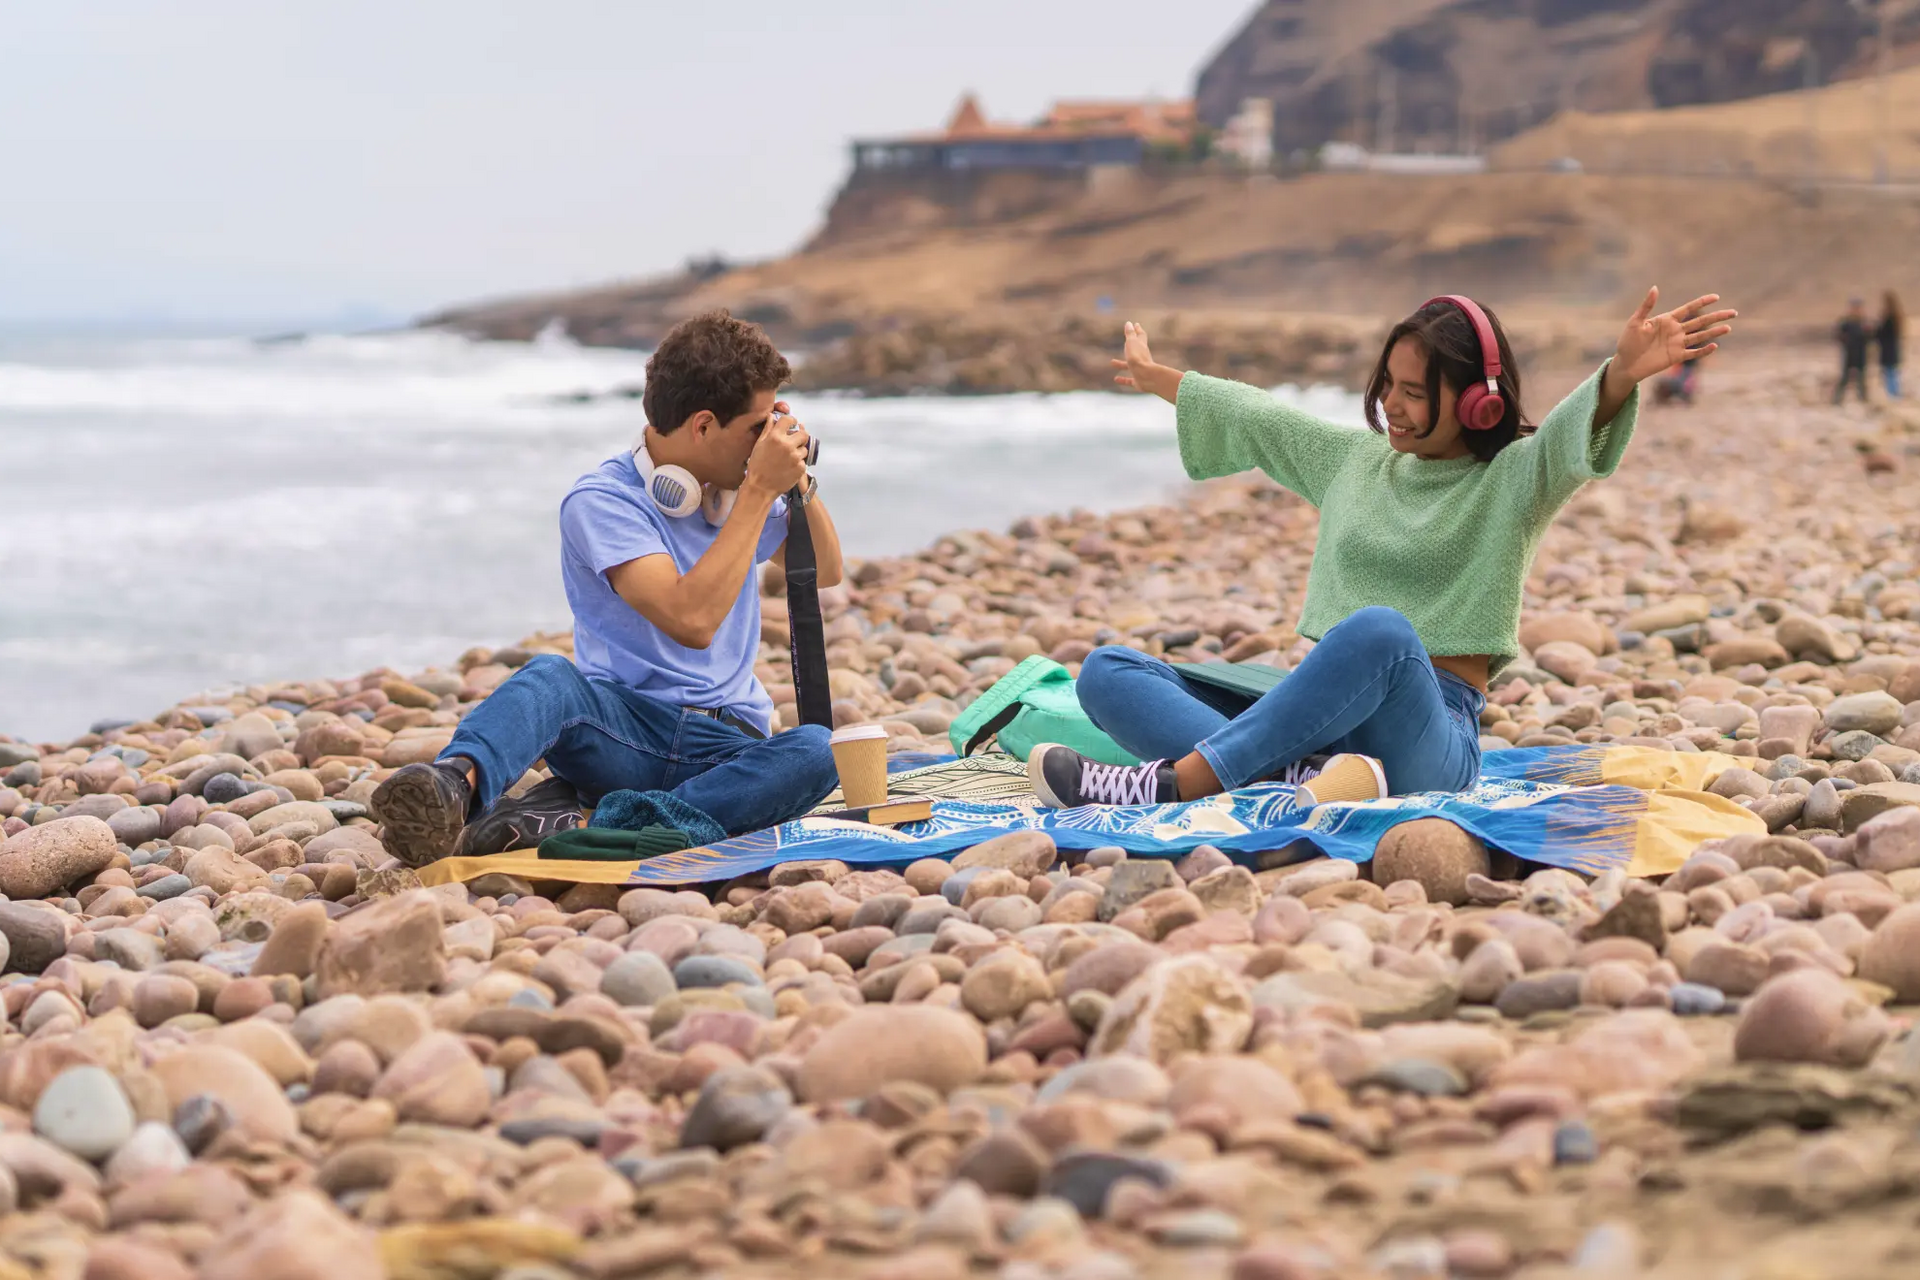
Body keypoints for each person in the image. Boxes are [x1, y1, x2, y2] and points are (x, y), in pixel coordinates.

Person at [1027, 288, 1734, 811]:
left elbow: (1564, 440)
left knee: (1382, 632)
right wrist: (1161, 381)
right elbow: (1261, 419)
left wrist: (1620, 375)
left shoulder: (1512, 478)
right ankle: (1294, 781)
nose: (1391, 404)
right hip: (1324, 731)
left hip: (1431, 737)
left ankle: (1182, 783)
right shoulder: (1355, 462)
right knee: (1107, 671)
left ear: (1475, 401)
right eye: (1387, 386)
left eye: (1414, 392)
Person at [370, 310, 845, 867]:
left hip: (728, 742)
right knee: (549, 677)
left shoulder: (736, 490)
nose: (763, 441)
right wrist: (761, 490)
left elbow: (826, 569)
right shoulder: (604, 500)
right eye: (755, 427)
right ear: (702, 425)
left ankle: (595, 819)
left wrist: (796, 480)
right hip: (621, 730)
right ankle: (451, 790)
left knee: (817, 749)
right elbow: (690, 620)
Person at [1836, 298, 1871, 404]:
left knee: (1861, 379)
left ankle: (1863, 399)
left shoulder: (1863, 322)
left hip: (1860, 354)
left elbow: (1868, 338)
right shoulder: (1846, 323)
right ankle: (1837, 400)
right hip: (1849, 354)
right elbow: (1839, 337)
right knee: (1845, 378)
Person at [1878, 291, 1904, 400]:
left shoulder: (1889, 318)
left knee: (1889, 372)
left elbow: (1882, 333)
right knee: (1892, 372)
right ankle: (1894, 393)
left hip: (1888, 349)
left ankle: (1893, 395)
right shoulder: (1896, 317)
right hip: (1892, 348)